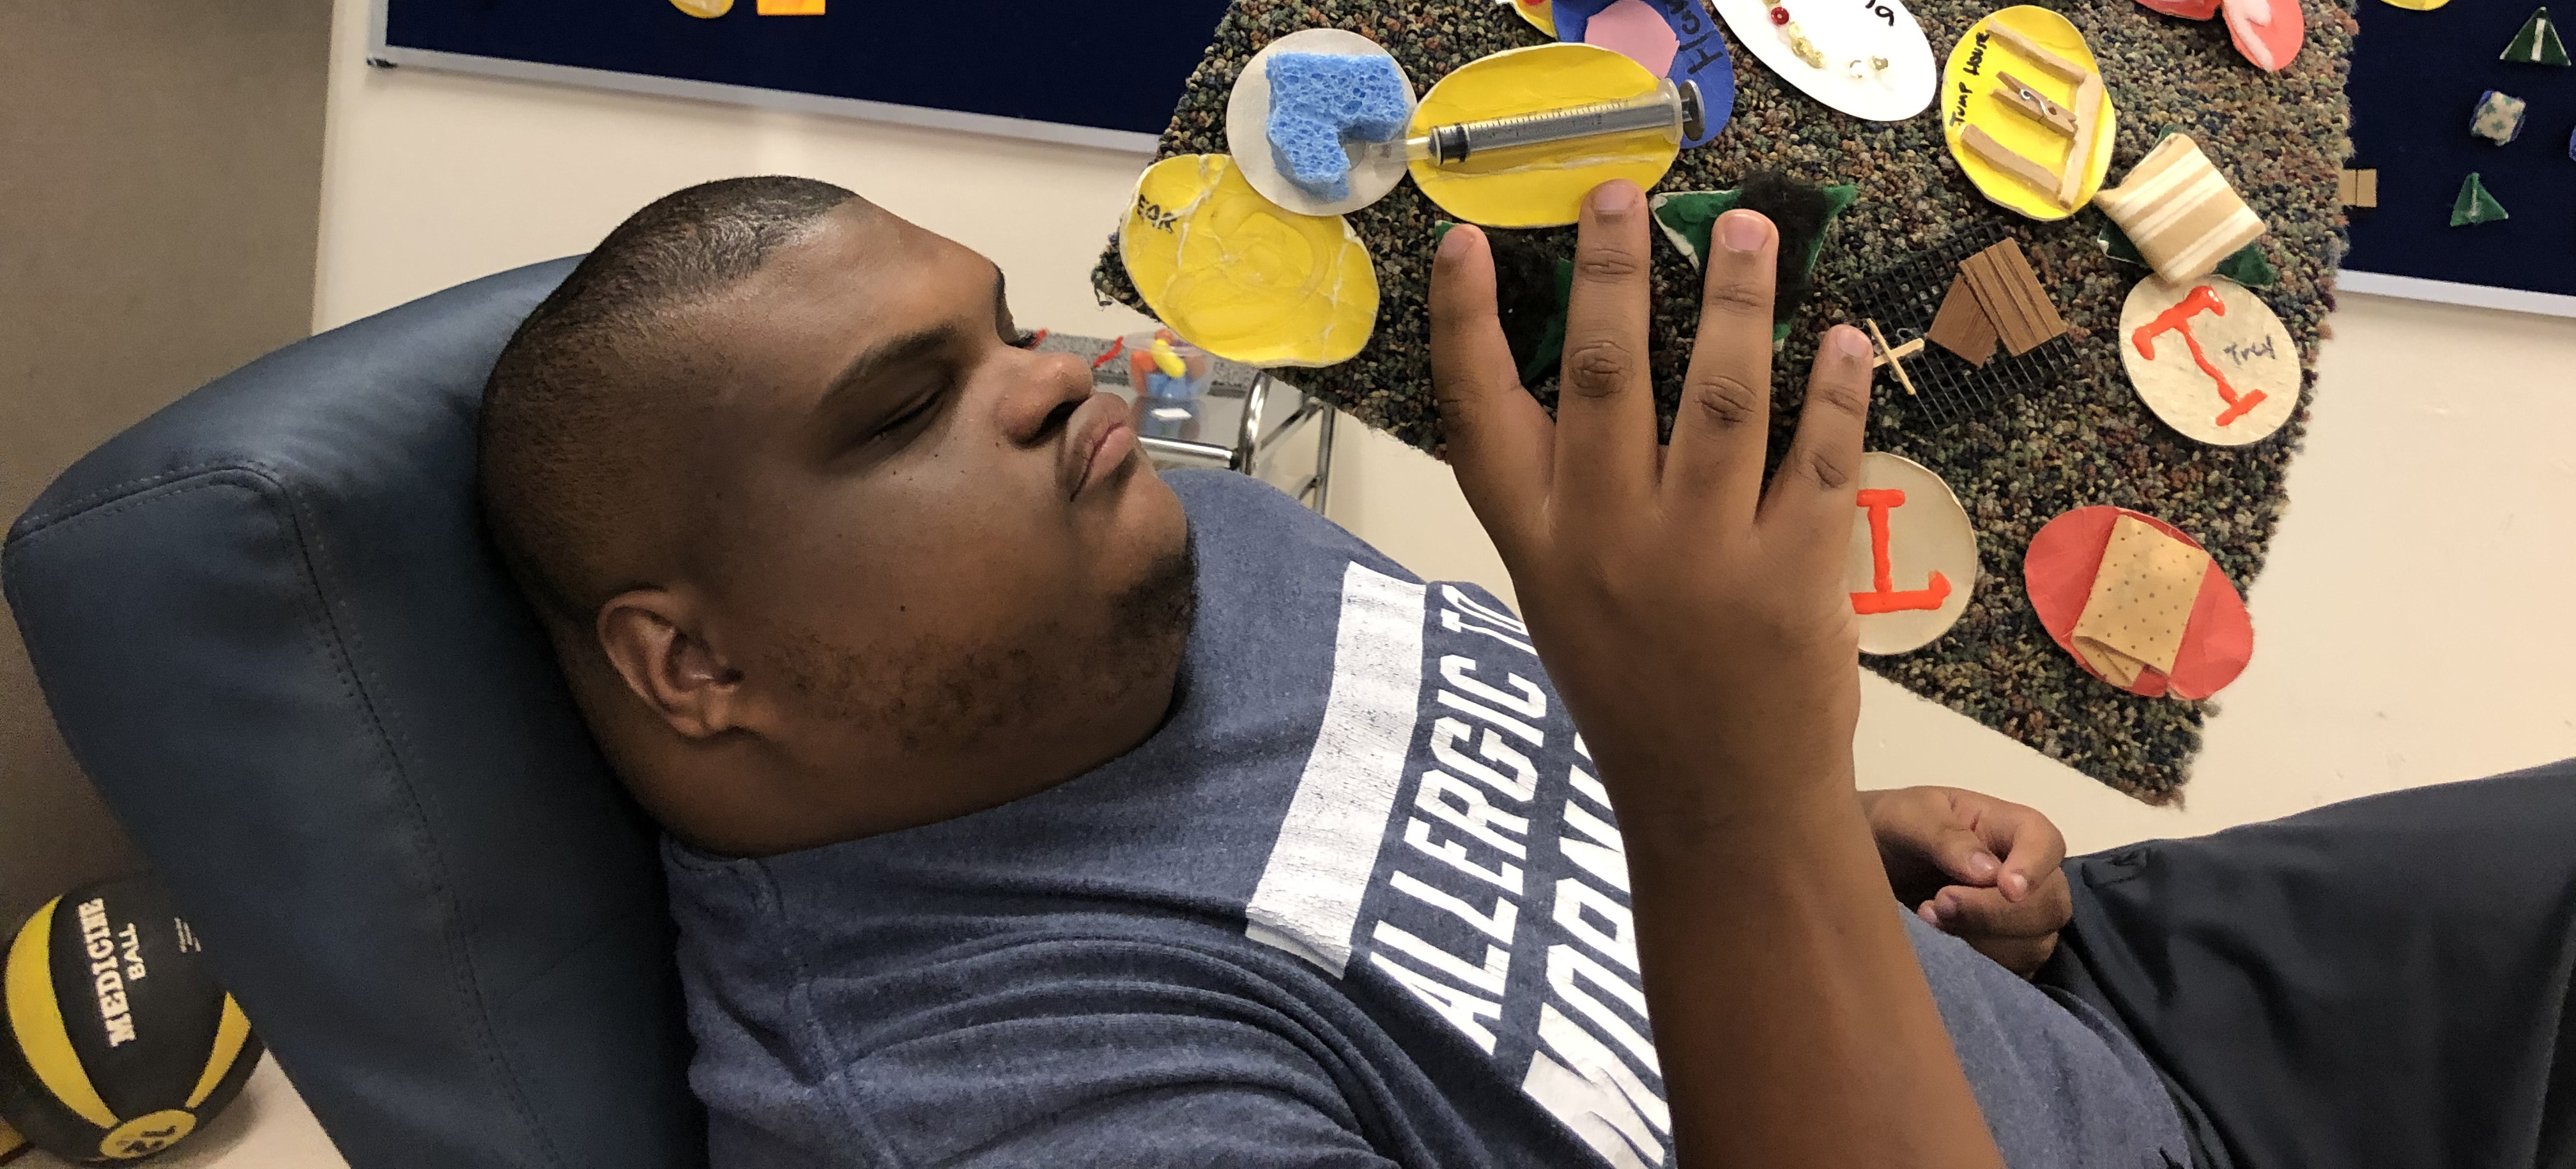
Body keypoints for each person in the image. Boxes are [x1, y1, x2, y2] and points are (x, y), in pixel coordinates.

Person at [477, 176, 2576, 1169]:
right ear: (694, 661)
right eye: (903, 408)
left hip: (2093, 1007)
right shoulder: (995, 1100)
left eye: (1011, 323)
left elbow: (1478, 860)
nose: (1056, 385)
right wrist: (1733, 794)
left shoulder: (1153, 557)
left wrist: (1827, 851)